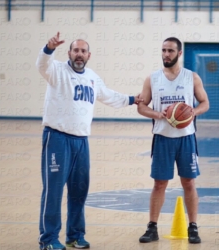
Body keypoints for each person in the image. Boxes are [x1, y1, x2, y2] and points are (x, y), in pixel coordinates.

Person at [36, 32, 142, 250]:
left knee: (79, 190)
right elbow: (42, 65)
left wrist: (132, 99)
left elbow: (108, 95)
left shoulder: (92, 77)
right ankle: (48, 239)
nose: (79, 54)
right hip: (57, 138)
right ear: (69, 52)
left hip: (81, 141)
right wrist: (48, 48)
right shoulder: (57, 70)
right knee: (53, 191)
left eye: (83, 51)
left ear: (89, 55)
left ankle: (74, 236)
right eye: (76, 50)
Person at [137, 37, 209, 244]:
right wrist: (156, 114)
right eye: (163, 50)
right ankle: (152, 227)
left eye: (170, 51)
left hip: (186, 138)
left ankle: (193, 227)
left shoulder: (191, 77)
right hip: (162, 138)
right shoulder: (152, 78)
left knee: (189, 182)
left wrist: (193, 111)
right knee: (159, 184)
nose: (166, 54)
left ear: (179, 53)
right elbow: (142, 106)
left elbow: (205, 103)